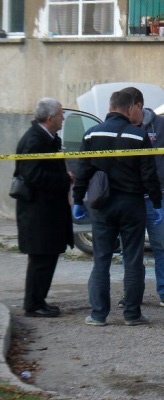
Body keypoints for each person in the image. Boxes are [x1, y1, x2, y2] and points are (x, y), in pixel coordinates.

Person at [72, 90, 164, 326]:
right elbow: (149, 174)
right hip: (132, 205)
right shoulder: (138, 134)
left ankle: (98, 314)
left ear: (110, 107)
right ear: (129, 108)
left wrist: (78, 200)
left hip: (102, 206)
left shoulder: (92, 134)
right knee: (132, 259)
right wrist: (156, 203)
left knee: (101, 259)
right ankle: (132, 314)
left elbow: (83, 170)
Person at [118, 86, 164, 310]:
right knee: (131, 249)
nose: (124, 112)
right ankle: (132, 294)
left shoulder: (160, 126)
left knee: (162, 247)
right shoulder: (120, 125)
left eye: (128, 108)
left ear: (138, 106)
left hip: (157, 199)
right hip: (129, 200)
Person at [15, 98, 73, 318]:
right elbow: (32, 175)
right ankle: (33, 304)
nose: (63, 117)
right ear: (50, 118)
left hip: (47, 212)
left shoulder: (46, 138)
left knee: (46, 257)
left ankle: (38, 301)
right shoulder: (34, 140)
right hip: (38, 213)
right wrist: (64, 178)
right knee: (41, 259)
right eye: (60, 113)